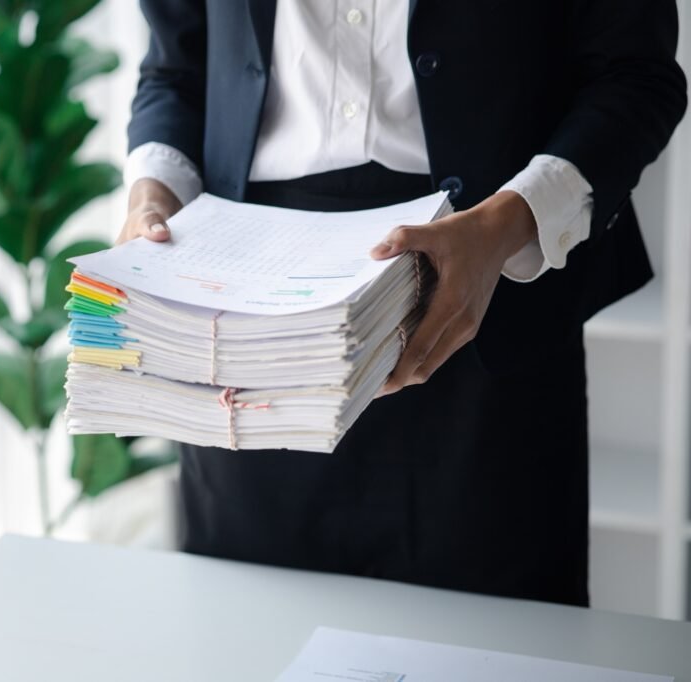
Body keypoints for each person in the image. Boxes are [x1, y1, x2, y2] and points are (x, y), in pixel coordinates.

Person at [115, 0, 687, 606]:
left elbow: (635, 75)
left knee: (498, 633)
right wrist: (153, 191)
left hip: (492, 289)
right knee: (250, 621)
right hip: (250, 323)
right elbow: (175, 68)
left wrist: (508, 223)